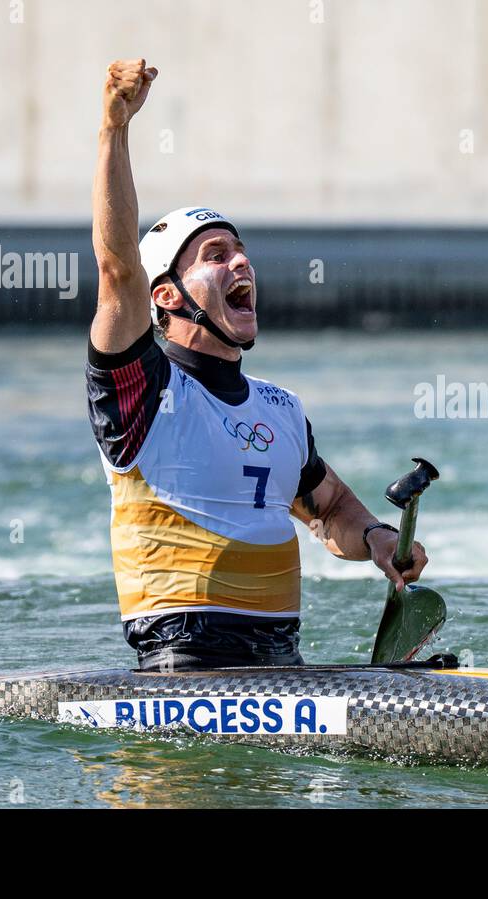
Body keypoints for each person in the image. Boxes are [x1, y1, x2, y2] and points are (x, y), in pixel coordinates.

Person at [85, 59, 427, 670]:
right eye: (217, 255)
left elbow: (328, 510)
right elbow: (117, 271)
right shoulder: (141, 393)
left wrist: (377, 539)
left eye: (242, 251)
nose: (242, 263)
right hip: (183, 669)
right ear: (166, 295)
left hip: (281, 664)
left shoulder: (281, 407)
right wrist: (115, 128)